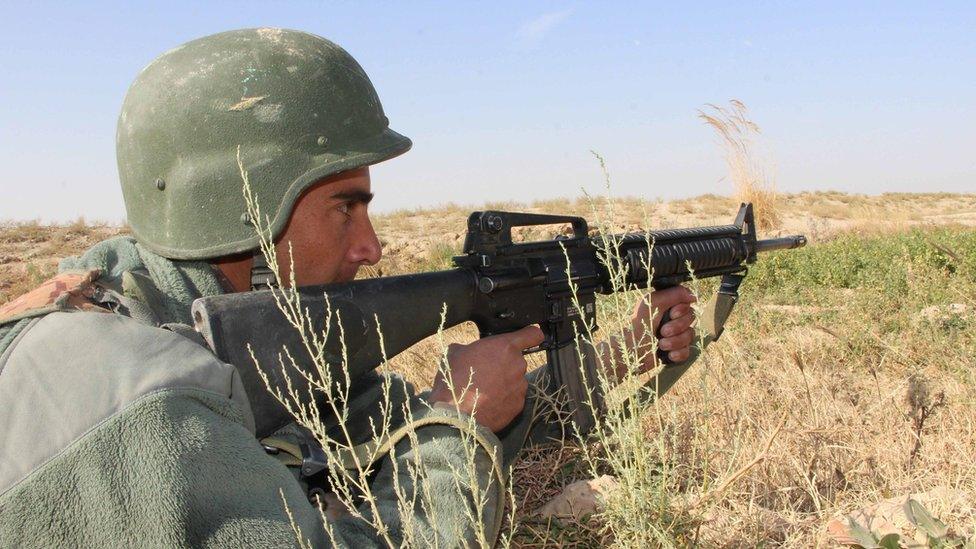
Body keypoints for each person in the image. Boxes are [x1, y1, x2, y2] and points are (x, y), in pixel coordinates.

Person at [0, 28, 702, 547]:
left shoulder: (221, 329)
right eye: (345, 205)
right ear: (247, 203)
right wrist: (454, 425)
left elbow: (404, 426)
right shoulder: (141, 398)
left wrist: (618, 355)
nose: (371, 246)